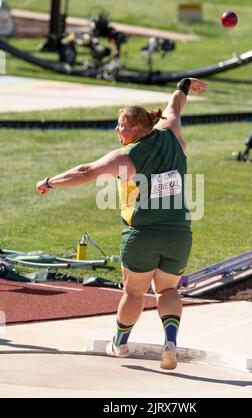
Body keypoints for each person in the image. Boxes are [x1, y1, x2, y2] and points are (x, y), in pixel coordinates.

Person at [36, 77, 208, 370]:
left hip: (141, 235)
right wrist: (183, 85)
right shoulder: (172, 134)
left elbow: (86, 171)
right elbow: (174, 106)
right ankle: (170, 344)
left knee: (134, 292)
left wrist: (49, 182)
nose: (117, 130)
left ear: (140, 128)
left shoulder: (127, 157)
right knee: (167, 291)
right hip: (179, 234)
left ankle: (120, 343)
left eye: (122, 126)